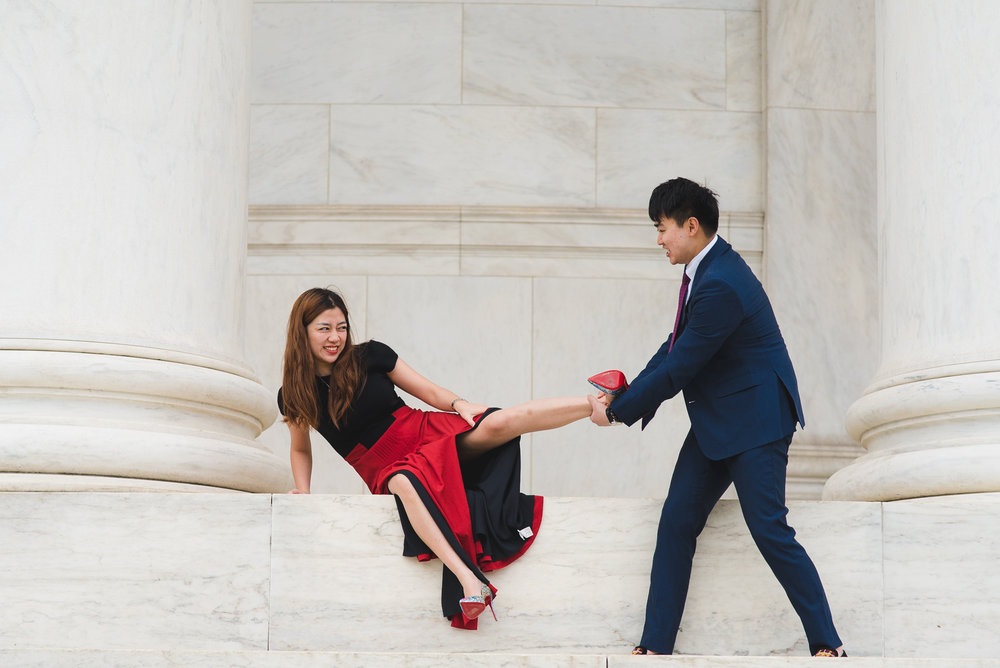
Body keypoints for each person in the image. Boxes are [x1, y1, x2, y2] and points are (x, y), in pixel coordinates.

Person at [588, 178, 846, 658]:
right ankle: (655, 647)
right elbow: (673, 348)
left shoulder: (721, 283)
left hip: (758, 423)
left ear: (690, 225)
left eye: (662, 228)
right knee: (676, 524)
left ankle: (827, 643)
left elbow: (683, 365)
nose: (658, 239)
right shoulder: (705, 272)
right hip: (718, 422)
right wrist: (622, 394)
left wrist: (620, 412)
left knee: (770, 529)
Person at [278, 287, 593, 629]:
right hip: (388, 468)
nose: (335, 337)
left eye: (341, 327)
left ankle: (598, 406)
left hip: (425, 432)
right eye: (324, 328)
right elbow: (300, 448)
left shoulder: (371, 355)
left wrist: (461, 405)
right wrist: (303, 490)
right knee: (403, 480)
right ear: (303, 331)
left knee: (499, 421)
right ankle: (472, 584)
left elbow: (428, 391)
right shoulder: (294, 393)